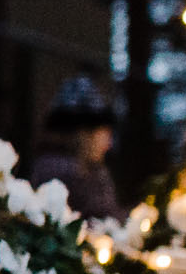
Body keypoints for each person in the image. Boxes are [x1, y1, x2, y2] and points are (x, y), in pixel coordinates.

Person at [27, 77, 122, 221]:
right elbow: (103, 223)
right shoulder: (66, 174)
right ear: (85, 135)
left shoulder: (94, 171)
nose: (108, 145)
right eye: (105, 135)